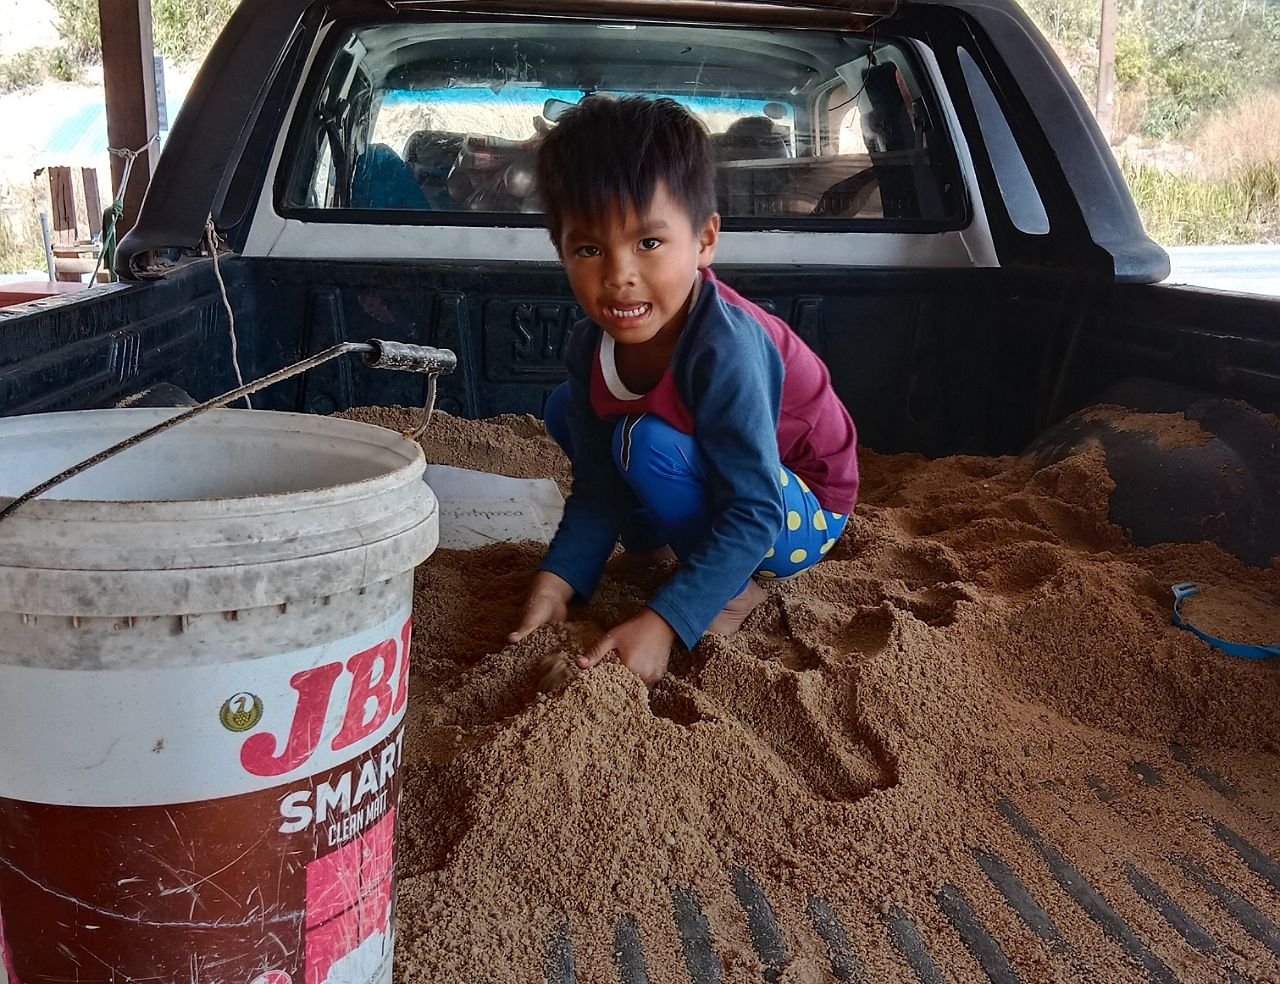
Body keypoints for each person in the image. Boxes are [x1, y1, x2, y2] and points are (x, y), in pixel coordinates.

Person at [507, 96, 859, 685]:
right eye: (589, 249)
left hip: (798, 508)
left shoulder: (728, 348)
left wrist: (667, 620)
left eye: (648, 243)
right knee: (571, 408)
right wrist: (561, 576)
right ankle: (653, 547)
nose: (619, 274)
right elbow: (596, 490)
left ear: (704, 240)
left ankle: (726, 593)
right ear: (561, 250)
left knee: (643, 443)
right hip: (720, 472)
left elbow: (755, 506)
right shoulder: (586, 347)